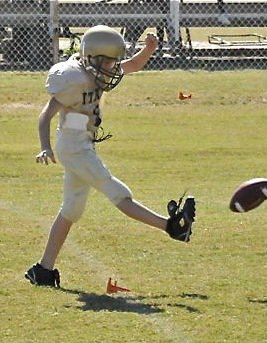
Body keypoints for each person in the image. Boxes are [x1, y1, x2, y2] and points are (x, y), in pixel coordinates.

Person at [24, 25, 196, 288]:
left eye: (113, 61)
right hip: (72, 146)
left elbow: (134, 65)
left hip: (82, 144)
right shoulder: (73, 78)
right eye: (107, 61)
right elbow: (45, 114)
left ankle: (43, 270)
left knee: (71, 210)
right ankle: (172, 227)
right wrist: (44, 146)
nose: (112, 67)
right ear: (91, 58)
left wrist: (148, 49)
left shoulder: (99, 70)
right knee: (117, 192)